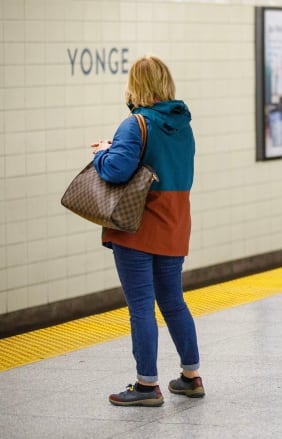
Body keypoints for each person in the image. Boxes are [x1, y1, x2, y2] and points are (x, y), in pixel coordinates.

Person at [92, 56, 203, 406]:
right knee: (173, 302)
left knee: (141, 306)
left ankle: (146, 385)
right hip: (174, 224)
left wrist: (101, 154)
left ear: (135, 85)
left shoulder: (135, 124)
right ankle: (191, 376)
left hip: (137, 226)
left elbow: (116, 172)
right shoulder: (183, 125)